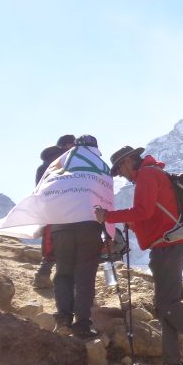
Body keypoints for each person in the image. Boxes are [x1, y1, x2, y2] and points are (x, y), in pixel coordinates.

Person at [95, 145, 183, 365]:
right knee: (164, 305)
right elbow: (152, 214)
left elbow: (142, 211)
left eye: (120, 169)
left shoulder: (147, 174)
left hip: (168, 247)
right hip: (167, 245)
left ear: (128, 162)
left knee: (170, 304)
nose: (121, 175)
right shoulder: (153, 174)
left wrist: (109, 217)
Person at [50, 135, 106, 339]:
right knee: (85, 276)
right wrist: (109, 231)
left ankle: (63, 319)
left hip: (61, 226)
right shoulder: (101, 166)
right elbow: (106, 198)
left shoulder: (60, 163)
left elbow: (47, 191)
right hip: (88, 227)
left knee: (63, 273)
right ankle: (82, 324)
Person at [32, 136, 76, 290]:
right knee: (69, 243)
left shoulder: (44, 166)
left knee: (52, 242)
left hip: (49, 209)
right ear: (67, 145)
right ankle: (65, 282)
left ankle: (43, 276)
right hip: (66, 208)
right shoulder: (64, 163)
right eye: (73, 144)